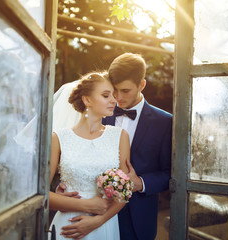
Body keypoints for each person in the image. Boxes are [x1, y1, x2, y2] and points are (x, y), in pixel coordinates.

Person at [59, 53, 172, 240]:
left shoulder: (165, 122)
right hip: (90, 212)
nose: (117, 97)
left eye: (125, 91)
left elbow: (171, 173)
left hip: (137, 219)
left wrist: (142, 183)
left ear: (142, 85)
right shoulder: (99, 110)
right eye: (113, 90)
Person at [48, 71, 131, 240]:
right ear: (87, 100)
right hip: (68, 225)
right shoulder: (58, 138)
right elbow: (41, 194)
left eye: (113, 96)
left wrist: (98, 221)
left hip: (104, 226)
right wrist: (86, 205)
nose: (114, 100)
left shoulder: (120, 136)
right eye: (106, 95)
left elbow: (124, 191)